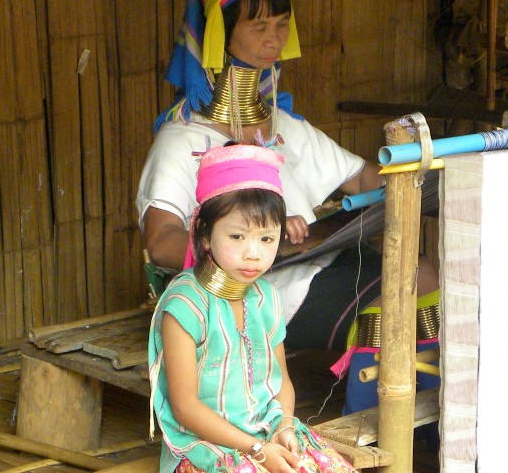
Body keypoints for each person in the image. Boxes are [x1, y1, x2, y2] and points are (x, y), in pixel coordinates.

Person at [136, 0, 439, 415]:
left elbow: (363, 179)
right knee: (400, 286)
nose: (274, 39)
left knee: (423, 273)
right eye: (259, 26)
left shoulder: (285, 128)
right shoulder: (184, 140)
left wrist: (428, 169)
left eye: (280, 26)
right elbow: (161, 241)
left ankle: (409, 420)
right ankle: (375, 423)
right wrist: (241, 248)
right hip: (256, 293)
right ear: (218, 35)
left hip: (320, 267)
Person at [148, 143, 356, 473]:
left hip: (268, 433)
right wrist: (257, 450)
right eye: (237, 237)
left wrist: (285, 427)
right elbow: (185, 407)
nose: (253, 254)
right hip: (208, 447)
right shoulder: (184, 306)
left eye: (266, 239)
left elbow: (281, 382)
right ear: (204, 235)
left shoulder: (266, 299)